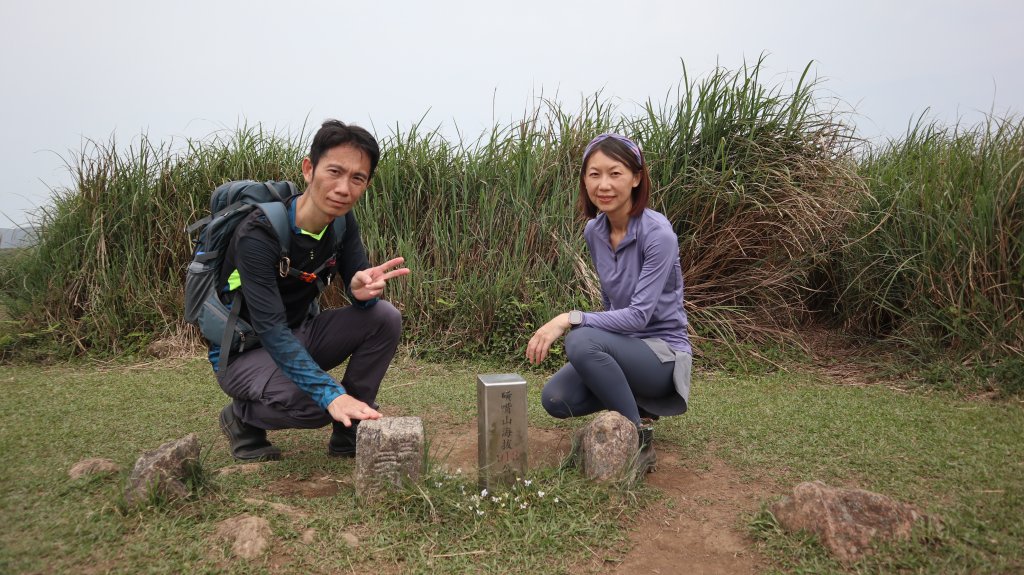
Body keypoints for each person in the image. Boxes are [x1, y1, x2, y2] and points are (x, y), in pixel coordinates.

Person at [215, 119, 410, 461]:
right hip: (245, 353)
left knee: (384, 317)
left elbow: (358, 283)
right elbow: (272, 329)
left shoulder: (341, 222)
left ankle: (349, 430)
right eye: (334, 171)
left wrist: (360, 291)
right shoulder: (258, 235)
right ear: (309, 169)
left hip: (302, 332)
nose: (344, 188)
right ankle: (242, 417)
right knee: (318, 406)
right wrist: (330, 393)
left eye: (357, 178)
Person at [526, 132, 692, 472]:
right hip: (626, 350)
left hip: (663, 355)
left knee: (580, 339)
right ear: (584, 180)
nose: (604, 184)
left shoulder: (658, 234)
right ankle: (640, 404)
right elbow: (611, 302)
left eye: (615, 173)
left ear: (636, 178)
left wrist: (568, 318)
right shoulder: (595, 231)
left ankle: (637, 437)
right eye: (594, 174)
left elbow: (639, 318)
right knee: (556, 399)